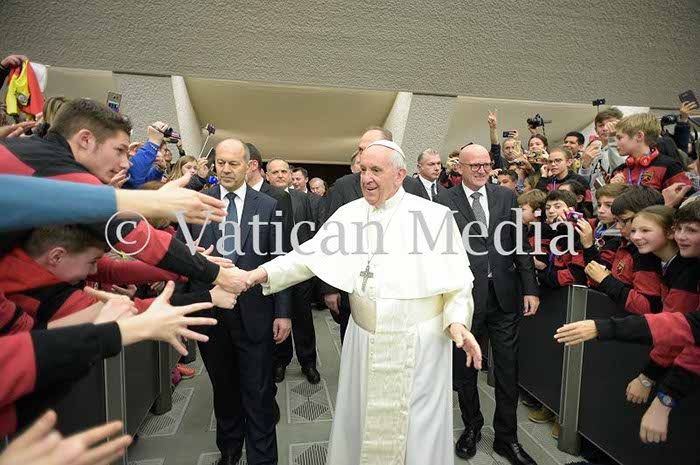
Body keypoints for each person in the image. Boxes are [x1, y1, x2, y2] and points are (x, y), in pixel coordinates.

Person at [244, 139, 480, 465]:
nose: (366, 178)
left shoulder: (434, 216)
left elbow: (458, 281)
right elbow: (306, 257)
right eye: (363, 169)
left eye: (376, 170)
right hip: (364, 339)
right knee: (362, 422)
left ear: (399, 175)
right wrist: (259, 274)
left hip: (419, 345)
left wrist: (457, 321)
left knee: (416, 430)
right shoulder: (349, 214)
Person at [176, 138, 292, 465]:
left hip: (256, 312)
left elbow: (280, 260)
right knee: (224, 390)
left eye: (233, 164)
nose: (226, 169)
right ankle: (229, 451)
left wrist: (283, 312)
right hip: (212, 315)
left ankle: (262, 459)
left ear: (249, 166)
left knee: (259, 392)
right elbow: (181, 257)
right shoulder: (196, 204)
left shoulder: (268, 205)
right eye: (221, 163)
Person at [434, 144, 539, 465]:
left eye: (486, 164)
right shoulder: (443, 201)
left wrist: (530, 287)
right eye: (474, 165)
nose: (481, 170)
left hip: (505, 296)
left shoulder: (505, 197)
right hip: (465, 300)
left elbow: (519, 243)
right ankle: (472, 427)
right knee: (466, 370)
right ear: (459, 168)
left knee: (508, 369)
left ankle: (507, 438)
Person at [321, 127, 428, 341]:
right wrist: (330, 288)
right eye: (360, 149)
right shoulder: (343, 186)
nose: (362, 155)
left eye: (368, 148)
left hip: (401, 293)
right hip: (355, 291)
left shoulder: (412, 187)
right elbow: (329, 241)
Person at [266, 158, 320, 385]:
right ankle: (281, 360)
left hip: (300, 268)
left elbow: (312, 231)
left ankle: (308, 362)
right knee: (278, 315)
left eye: (284, 171)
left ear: (290, 175)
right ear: (267, 176)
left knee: (303, 317)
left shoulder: (303, 199)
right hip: (273, 268)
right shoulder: (263, 199)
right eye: (275, 172)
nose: (280, 175)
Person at [609, 113, 691, 191]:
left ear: (639, 136)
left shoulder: (668, 166)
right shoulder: (618, 171)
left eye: (619, 138)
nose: (616, 143)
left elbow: (687, 198)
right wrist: (612, 189)